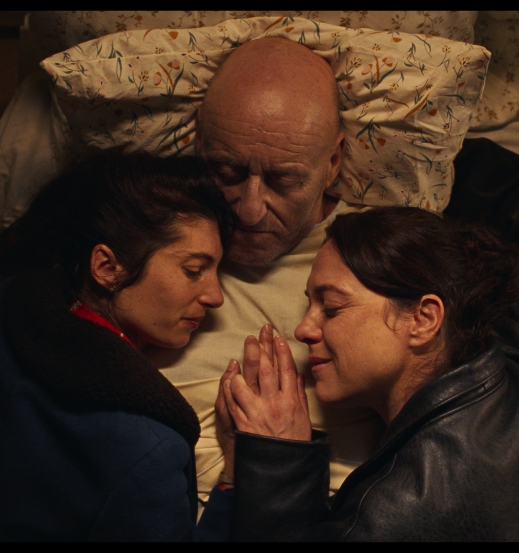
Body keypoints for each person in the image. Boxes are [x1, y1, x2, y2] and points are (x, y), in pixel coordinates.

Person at [216, 139, 519, 541]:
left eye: (330, 307)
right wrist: (432, 152)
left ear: (423, 319)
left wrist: (280, 464)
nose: (303, 329)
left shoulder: (398, 511)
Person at [0, 153, 237, 541]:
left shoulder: (1, 309)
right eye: (194, 270)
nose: (216, 296)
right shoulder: (149, 450)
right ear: (106, 267)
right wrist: (236, 478)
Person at [145, 35, 386, 507]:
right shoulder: (147, 236)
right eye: (227, 173)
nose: (250, 209)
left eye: (284, 180)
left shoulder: (383, 255)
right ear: (199, 141)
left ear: (333, 162)